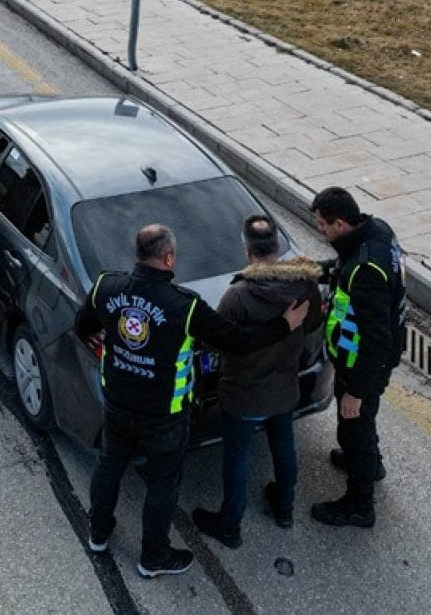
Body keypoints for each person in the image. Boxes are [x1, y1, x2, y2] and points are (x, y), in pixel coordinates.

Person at [74, 224, 308, 579]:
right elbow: (237, 341)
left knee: (110, 465)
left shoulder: (106, 286)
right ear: (168, 258)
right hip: (165, 414)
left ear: (138, 254)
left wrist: (120, 348)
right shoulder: (185, 306)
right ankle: (153, 557)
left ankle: (98, 533)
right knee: (162, 483)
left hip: (117, 402)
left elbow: (82, 327)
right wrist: (284, 326)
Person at [191, 216, 323, 549]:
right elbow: (311, 327)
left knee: (238, 456)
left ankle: (230, 524)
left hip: (243, 394)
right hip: (284, 389)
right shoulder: (304, 285)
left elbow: (220, 341)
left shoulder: (239, 295)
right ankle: (284, 509)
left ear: (248, 252)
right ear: (277, 247)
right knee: (283, 446)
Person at [309, 186, 407, 529]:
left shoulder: (364, 270)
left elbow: (375, 340)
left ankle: (358, 505)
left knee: (354, 426)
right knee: (362, 422)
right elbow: (340, 267)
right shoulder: (377, 230)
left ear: (339, 223)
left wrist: (357, 391)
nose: (320, 230)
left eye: (322, 224)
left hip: (362, 364)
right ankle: (370, 462)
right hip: (372, 357)